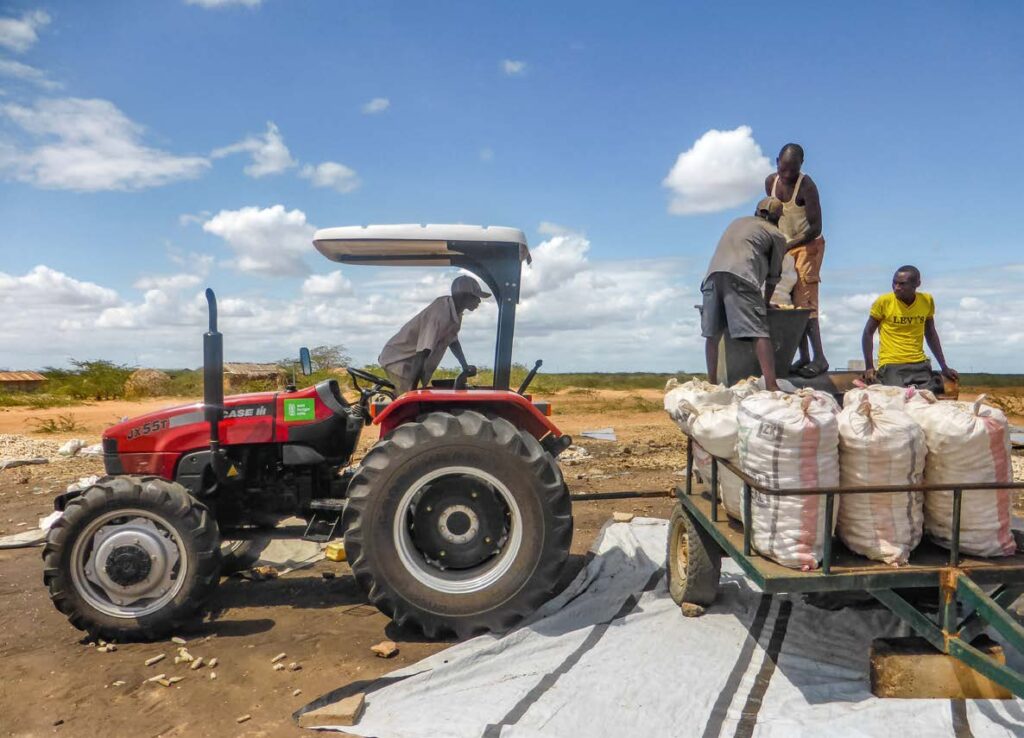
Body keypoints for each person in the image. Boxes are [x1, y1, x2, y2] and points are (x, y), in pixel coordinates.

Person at [701, 197, 786, 391]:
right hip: (742, 279)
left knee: (712, 335)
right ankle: (772, 386)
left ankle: (712, 384)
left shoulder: (738, 221)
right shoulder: (776, 234)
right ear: (778, 217)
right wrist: (764, 303)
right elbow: (774, 276)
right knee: (759, 331)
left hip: (712, 278)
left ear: (757, 211)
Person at [765, 143, 829, 377]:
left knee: (805, 301)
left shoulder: (807, 186)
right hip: (783, 246)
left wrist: (789, 245)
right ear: (777, 162)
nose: (787, 175)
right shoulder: (770, 182)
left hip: (807, 245)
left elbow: (816, 227)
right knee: (788, 300)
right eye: (784, 169)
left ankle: (819, 358)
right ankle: (802, 356)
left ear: (800, 166)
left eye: (793, 170)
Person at [378, 275, 489, 394]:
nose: (479, 301)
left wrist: (465, 366)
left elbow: (453, 341)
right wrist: (413, 392)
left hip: (412, 362)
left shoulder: (456, 313)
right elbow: (423, 352)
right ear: (463, 296)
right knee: (407, 403)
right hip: (399, 360)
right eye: (475, 297)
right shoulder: (439, 314)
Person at [861, 265, 958, 393]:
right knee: (896, 393)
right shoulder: (884, 302)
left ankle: (918, 388)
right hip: (892, 364)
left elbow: (930, 333)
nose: (896, 287)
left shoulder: (926, 301)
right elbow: (868, 333)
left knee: (936, 389)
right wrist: (869, 367)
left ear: (917, 284)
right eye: (894, 283)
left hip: (919, 364)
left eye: (902, 284)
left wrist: (944, 366)